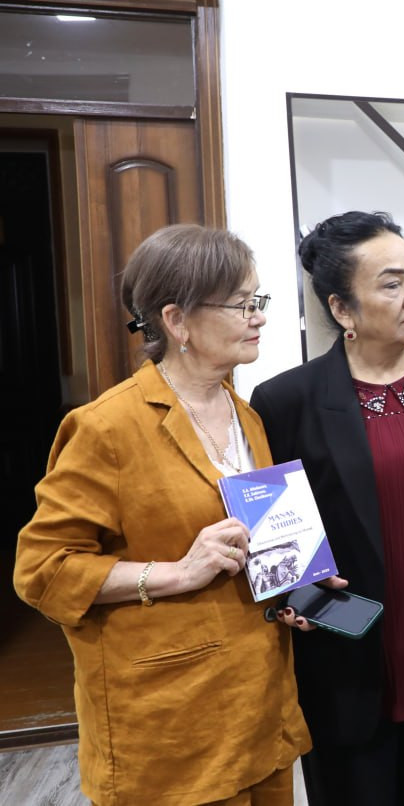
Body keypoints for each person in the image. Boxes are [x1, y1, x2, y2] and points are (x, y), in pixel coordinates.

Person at [13, 225, 308, 805]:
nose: (259, 316)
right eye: (241, 304)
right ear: (177, 321)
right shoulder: (106, 428)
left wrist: (298, 586)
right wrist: (176, 573)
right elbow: (43, 570)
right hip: (169, 726)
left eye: (258, 300)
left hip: (261, 710)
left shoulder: (247, 417)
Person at [250, 211, 404, 806]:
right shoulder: (287, 400)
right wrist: (299, 596)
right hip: (352, 654)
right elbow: (276, 536)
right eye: (391, 284)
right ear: (342, 309)